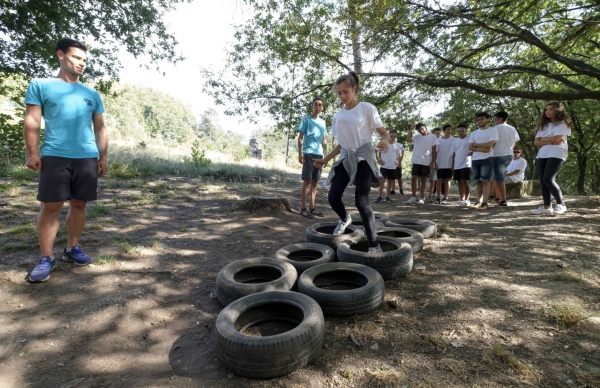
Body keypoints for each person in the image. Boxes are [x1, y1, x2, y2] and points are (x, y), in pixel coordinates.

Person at [23, 38, 108, 282]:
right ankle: (46, 258)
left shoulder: (92, 94)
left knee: (79, 204)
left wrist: (103, 156)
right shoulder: (41, 85)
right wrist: (32, 152)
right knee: (51, 206)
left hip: (87, 157)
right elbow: (32, 121)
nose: (81, 63)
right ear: (60, 55)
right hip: (55, 155)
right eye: (76, 58)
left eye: (84, 60)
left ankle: (72, 248)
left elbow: (100, 127)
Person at [313, 71, 388, 253]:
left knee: (361, 201)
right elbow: (342, 144)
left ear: (354, 89)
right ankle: (345, 218)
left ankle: (374, 245)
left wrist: (385, 140)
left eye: (345, 91)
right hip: (346, 158)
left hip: (364, 156)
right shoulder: (338, 116)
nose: (342, 96)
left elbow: (383, 132)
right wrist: (325, 160)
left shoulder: (367, 108)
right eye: (339, 93)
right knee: (333, 196)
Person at [531, 102, 572, 215]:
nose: (548, 111)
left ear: (558, 110)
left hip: (557, 151)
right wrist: (551, 140)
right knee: (542, 180)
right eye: (546, 109)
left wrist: (544, 139)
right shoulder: (543, 125)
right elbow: (536, 142)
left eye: (551, 109)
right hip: (543, 152)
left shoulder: (563, 124)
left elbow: (558, 139)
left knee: (548, 178)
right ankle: (547, 206)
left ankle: (560, 204)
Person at [297, 97, 328, 218]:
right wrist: (300, 154)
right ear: (312, 106)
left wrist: (326, 156)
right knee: (307, 180)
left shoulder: (323, 122)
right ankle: (303, 208)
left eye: (320, 105)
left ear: (322, 107)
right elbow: (300, 138)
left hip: (319, 154)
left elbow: (324, 140)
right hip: (308, 152)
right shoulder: (306, 120)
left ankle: (312, 208)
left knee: (315, 182)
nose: (318, 107)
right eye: (316, 105)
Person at [468, 112, 498, 210]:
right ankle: (478, 202)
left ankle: (485, 203)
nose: (480, 121)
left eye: (482, 119)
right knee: (478, 182)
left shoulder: (492, 131)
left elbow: (490, 145)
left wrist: (476, 145)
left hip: (487, 159)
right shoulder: (474, 133)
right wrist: (481, 149)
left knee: (485, 181)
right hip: (475, 159)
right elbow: (470, 147)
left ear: (487, 119)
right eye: (478, 120)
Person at [490, 111, 520, 206]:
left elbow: (492, 143)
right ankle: (497, 197)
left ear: (500, 119)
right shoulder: (512, 129)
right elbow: (515, 144)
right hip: (509, 156)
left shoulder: (495, 129)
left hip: (498, 155)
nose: (494, 121)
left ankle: (503, 200)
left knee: (499, 178)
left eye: (494, 119)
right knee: (498, 177)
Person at [405, 123, 438, 205]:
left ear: (425, 127)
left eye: (422, 128)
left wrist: (433, 162)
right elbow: (407, 140)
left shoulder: (432, 137)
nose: (421, 131)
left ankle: (421, 197)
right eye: (419, 130)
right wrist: (410, 129)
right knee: (413, 179)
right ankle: (413, 197)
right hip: (416, 161)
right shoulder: (417, 137)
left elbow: (434, 151)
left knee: (423, 180)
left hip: (426, 162)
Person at [375, 129, 403, 203]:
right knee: (382, 181)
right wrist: (379, 160)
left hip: (392, 166)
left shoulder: (397, 145)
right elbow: (377, 151)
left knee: (390, 181)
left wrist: (398, 160)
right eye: (391, 136)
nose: (393, 137)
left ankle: (387, 197)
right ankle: (379, 197)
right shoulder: (384, 144)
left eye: (394, 136)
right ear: (388, 136)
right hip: (384, 166)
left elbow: (400, 154)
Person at [451, 123, 472, 206]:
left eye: (462, 130)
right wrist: (452, 165)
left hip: (466, 163)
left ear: (466, 131)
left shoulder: (470, 138)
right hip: (457, 164)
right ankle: (461, 198)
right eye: (459, 131)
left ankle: (467, 199)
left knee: (464, 181)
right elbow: (453, 154)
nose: (460, 132)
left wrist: (473, 152)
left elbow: (475, 146)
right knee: (459, 182)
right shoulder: (455, 141)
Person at [435, 124, 455, 204]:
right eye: (447, 129)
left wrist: (453, 164)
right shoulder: (438, 141)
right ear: (443, 131)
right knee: (439, 180)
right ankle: (438, 197)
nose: (449, 131)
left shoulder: (454, 140)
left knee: (447, 180)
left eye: (450, 129)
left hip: (449, 164)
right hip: (440, 163)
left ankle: (445, 198)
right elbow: (435, 153)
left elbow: (454, 153)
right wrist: (435, 163)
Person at [427, 127, 442, 202]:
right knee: (428, 180)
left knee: (433, 180)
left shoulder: (439, 142)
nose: (438, 135)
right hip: (426, 162)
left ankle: (431, 195)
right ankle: (427, 195)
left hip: (434, 163)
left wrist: (435, 163)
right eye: (436, 133)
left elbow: (436, 154)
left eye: (439, 133)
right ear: (433, 134)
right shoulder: (430, 141)